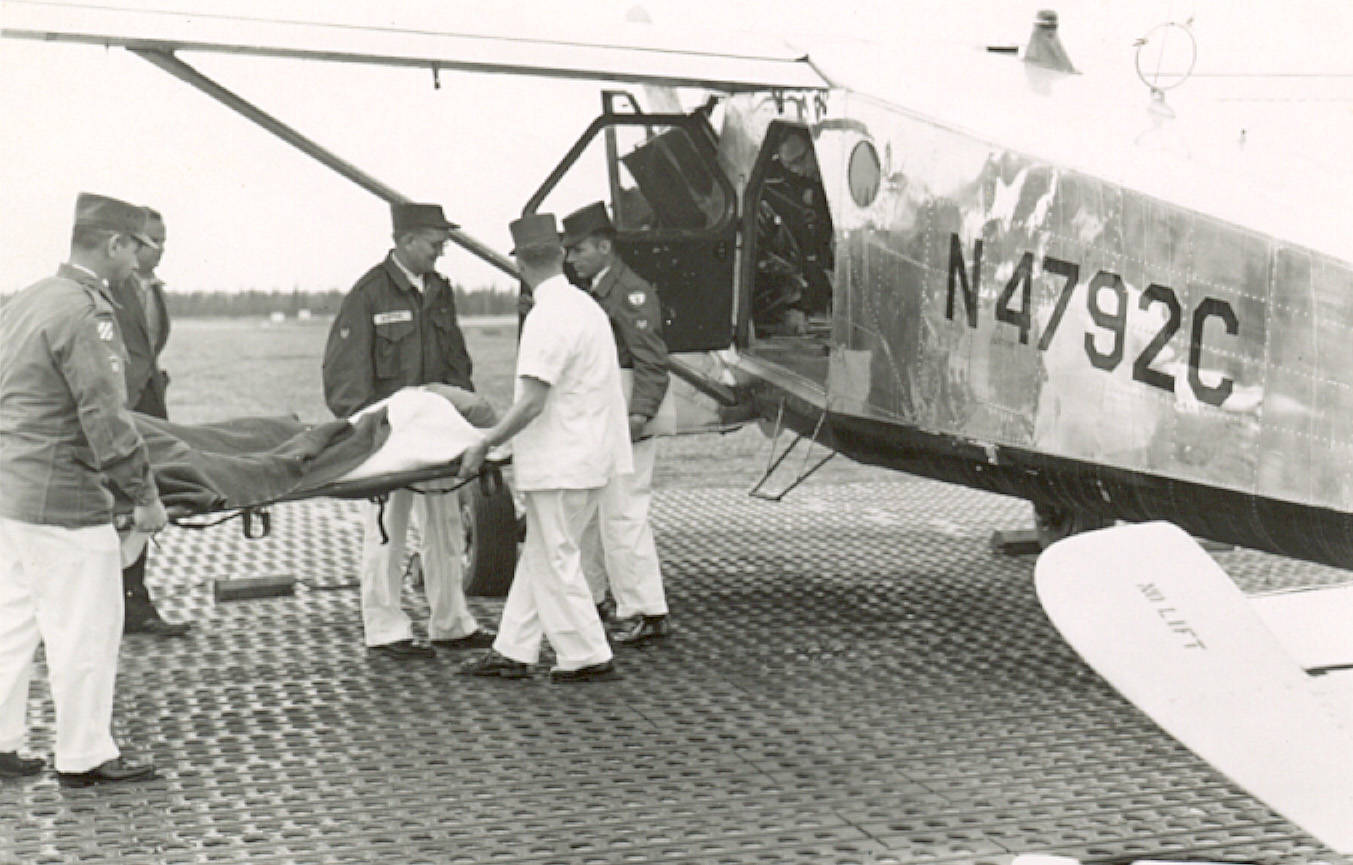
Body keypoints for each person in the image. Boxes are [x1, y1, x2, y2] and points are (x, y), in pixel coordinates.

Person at [0, 193, 165, 786]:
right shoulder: (86, 311)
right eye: (137, 247)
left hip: (12, 492)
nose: (140, 261)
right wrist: (142, 495)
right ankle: (86, 754)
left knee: (12, 623)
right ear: (113, 244)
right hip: (64, 499)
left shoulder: (29, 298)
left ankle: (1, 742)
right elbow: (105, 414)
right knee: (87, 627)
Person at [457, 213, 632, 682]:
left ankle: (588, 655)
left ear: (521, 265)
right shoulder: (587, 307)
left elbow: (533, 401)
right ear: (559, 256)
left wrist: (486, 442)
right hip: (591, 457)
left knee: (554, 559)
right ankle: (513, 650)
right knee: (542, 554)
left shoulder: (546, 316)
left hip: (560, 463)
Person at [322, 202, 494, 660]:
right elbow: (344, 375)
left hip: (435, 428)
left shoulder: (438, 290)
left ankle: (451, 623)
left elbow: (456, 358)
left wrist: (462, 419)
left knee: (446, 525)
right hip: (389, 434)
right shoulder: (369, 295)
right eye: (435, 243)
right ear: (405, 241)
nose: (442, 251)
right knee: (386, 532)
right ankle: (385, 630)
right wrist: (365, 436)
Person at [561, 201, 673, 644]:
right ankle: (594, 597)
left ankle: (646, 609)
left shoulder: (629, 293)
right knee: (596, 514)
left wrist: (640, 414)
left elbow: (652, 361)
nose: (571, 259)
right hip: (608, 410)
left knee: (624, 512)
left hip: (628, 409)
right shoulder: (598, 290)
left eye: (578, 251)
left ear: (604, 247)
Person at [107, 207, 190, 637]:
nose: (160, 250)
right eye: (152, 240)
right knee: (114, 506)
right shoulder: (107, 288)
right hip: (117, 409)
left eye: (164, 240)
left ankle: (135, 602)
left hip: (148, 409)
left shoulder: (152, 290)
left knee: (142, 502)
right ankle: (110, 605)